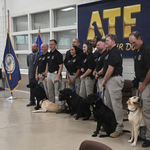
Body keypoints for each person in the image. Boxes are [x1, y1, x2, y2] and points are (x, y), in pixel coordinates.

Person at [97, 34, 124, 138]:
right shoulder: (108, 53)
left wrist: (103, 80)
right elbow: (105, 68)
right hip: (109, 80)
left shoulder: (115, 53)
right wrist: (99, 73)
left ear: (113, 42)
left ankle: (119, 128)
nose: (106, 42)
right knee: (108, 104)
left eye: (107, 40)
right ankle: (110, 124)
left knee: (116, 104)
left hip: (114, 79)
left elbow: (111, 69)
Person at [129, 31, 150, 147]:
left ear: (140, 38)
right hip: (140, 83)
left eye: (134, 42)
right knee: (140, 110)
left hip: (147, 83)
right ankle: (141, 134)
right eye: (131, 43)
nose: (133, 45)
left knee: (147, 110)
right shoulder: (136, 52)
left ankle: (149, 136)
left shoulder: (147, 51)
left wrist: (144, 84)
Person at [45, 39, 65, 113]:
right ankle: (52, 106)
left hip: (55, 74)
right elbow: (47, 65)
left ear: (55, 45)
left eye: (52, 44)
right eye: (50, 44)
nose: (50, 46)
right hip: (49, 74)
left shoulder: (58, 54)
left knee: (58, 91)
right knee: (50, 91)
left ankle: (62, 107)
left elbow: (61, 66)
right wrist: (46, 75)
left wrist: (58, 76)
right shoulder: (49, 54)